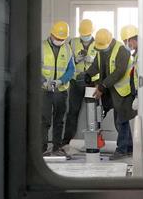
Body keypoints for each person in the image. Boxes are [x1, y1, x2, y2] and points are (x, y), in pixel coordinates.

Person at [84, 28, 135, 160]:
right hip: (110, 91)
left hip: (122, 91)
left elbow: (119, 72)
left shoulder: (122, 50)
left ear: (110, 40)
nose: (101, 50)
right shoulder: (101, 50)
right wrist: (88, 74)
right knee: (119, 120)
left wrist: (102, 86)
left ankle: (122, 149)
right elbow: (96, 65)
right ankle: (129, 147)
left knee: (121, 120)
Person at [40, 20, 75, 157]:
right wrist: (44, 81)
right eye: (58, 38)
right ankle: (42, 148)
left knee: (59, 120)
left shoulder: (67, 49)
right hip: (44, 90)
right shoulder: (41, 47)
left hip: (60, 90)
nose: (59, 40)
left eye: (62, 38)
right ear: (51, 35)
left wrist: (60, 81)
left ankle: (56, 147)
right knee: (44, 120)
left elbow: (71, 70)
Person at [63, 18, 97, 144]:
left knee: (93, 113)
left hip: (92, 83)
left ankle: (94, 142)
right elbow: (66, 62)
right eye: (83, 34)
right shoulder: (73, 42)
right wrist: (76, 60)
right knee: (72, 112)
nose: (85, 37)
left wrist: (92, 59)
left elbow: (102, 63)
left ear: (91, 32)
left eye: (87, 35)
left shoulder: (98, 42)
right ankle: (67, 142)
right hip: (76, 82)